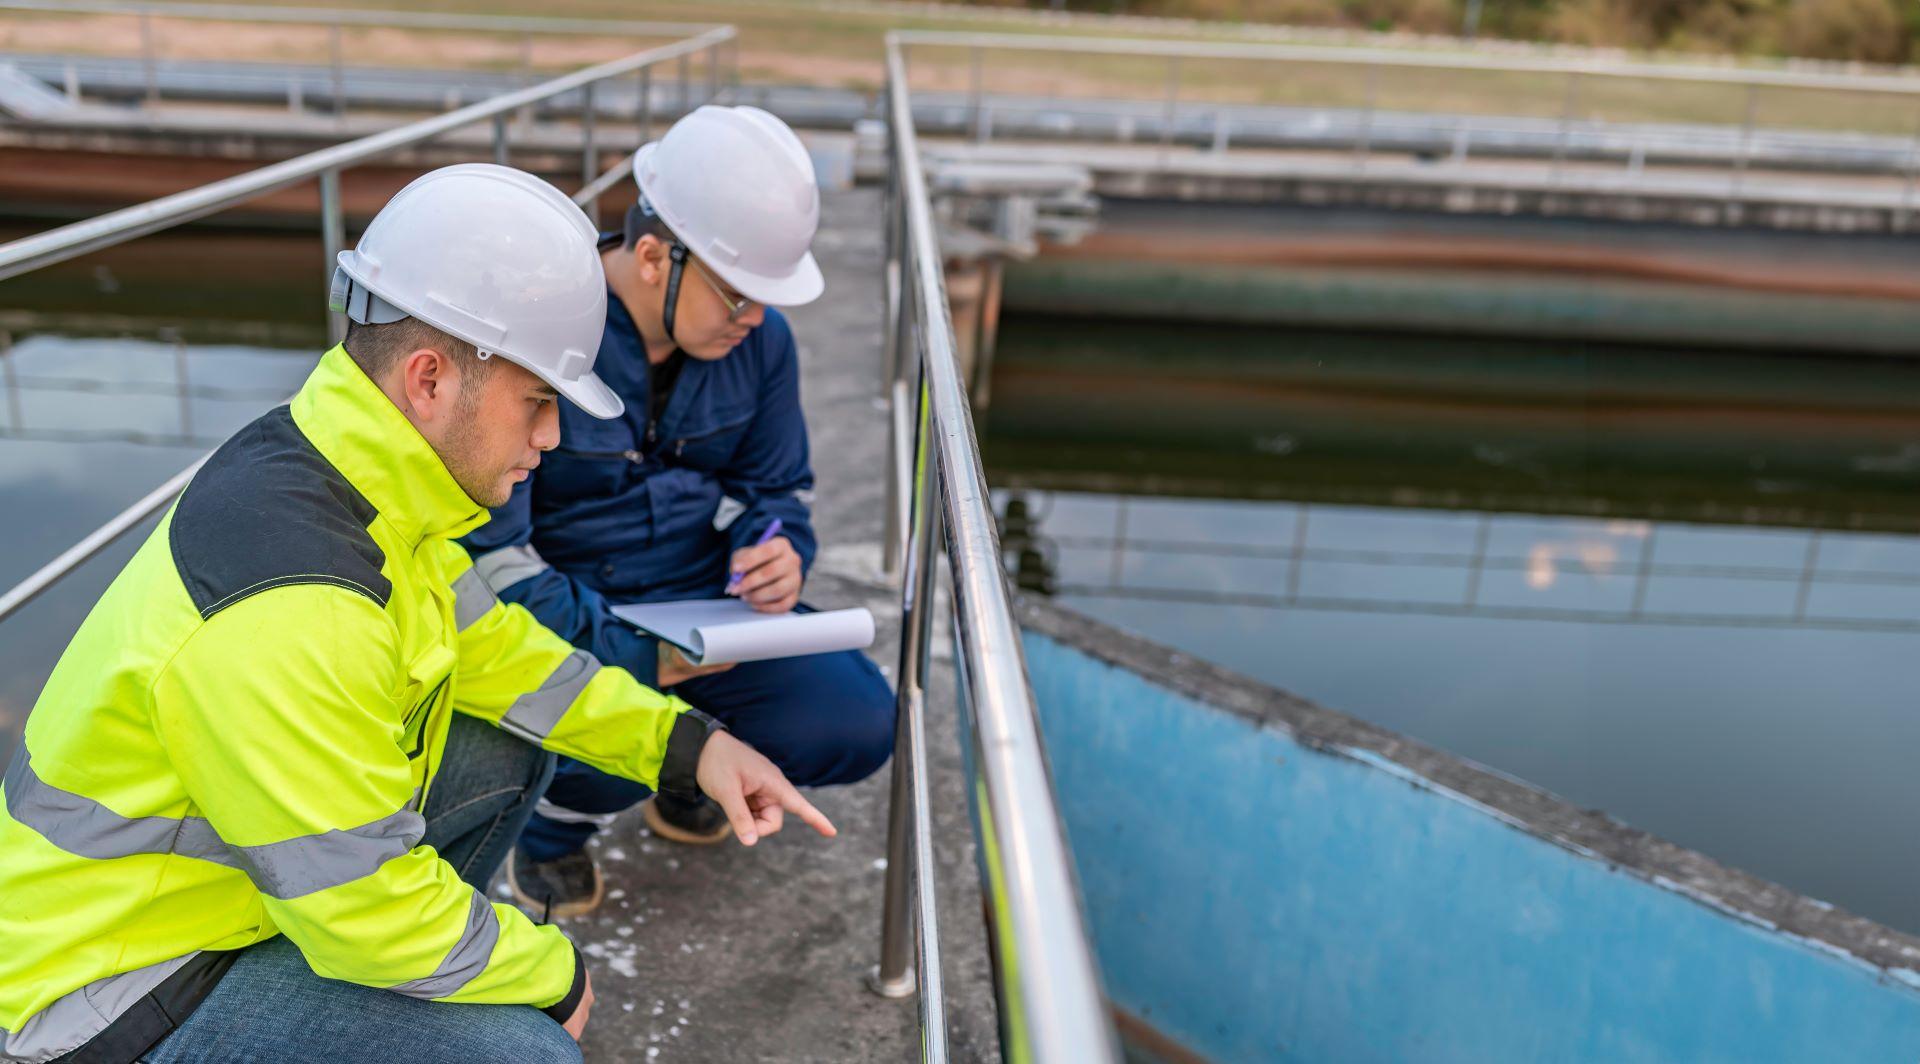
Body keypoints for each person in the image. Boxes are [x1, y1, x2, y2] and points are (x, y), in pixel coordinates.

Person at [0, 164, 833, 1064]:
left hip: (234, 899)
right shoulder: (297, 602)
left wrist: (688, 746)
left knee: (512, 735)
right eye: (539, 402)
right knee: (527, 1055)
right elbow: (363, 907)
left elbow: (508, 659)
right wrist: (554, 975)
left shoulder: (362, 486)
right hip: (111, 996)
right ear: (431, 380)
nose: (552, 439)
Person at [461, 106, 895, 917]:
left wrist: (778, 548)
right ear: (655, 257)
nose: (757, 320)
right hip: (569, 610)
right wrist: (635, 655)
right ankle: (552, 829)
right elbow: (495, 562)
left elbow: (777, 491)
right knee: (599, 696)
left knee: (860, 717)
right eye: (740, 298)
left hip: (707, 609)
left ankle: (687, 775)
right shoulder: (538, 335)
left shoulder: (759, 344)